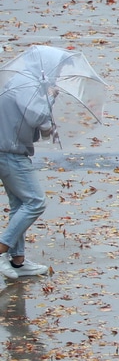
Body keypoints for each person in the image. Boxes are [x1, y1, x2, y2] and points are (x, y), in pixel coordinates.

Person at [0, 84, 55, 282]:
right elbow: (39, 119)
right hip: (11, 153)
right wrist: (50, 98)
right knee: (35, 202)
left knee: (19, 204)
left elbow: (33, 127)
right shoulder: (26, 87)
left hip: (6, 150)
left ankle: (18, 260)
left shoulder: (16, 85)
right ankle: (2, 248)